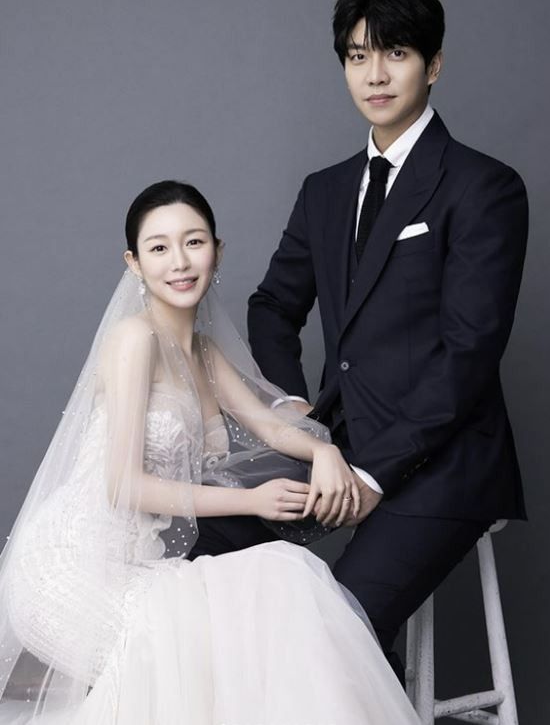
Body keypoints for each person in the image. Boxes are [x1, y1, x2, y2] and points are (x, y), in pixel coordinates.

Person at [0, 180, 420, 724]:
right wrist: (255, 501)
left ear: (217, 252)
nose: (179, 261)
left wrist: (326, 454)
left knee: (284, 583)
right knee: (194, 663)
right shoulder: (135, 340)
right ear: (133, 263)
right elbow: (123, 486)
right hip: (72, 567)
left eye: (193, 242)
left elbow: (271, 426)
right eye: (158, 248)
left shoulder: (203, 350)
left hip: (143, 562)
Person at [245, 0, 529, 682]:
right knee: (199, 556)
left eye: (395, 53)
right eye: (357, 56)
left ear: (433, 65)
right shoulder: (324, 190)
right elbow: (272, 306)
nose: (374, 74)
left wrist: (374, 473)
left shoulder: (484, 186)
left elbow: (468, 353)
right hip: (335, 446)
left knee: (332, 625)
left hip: (443, 464)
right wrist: (297, 417)